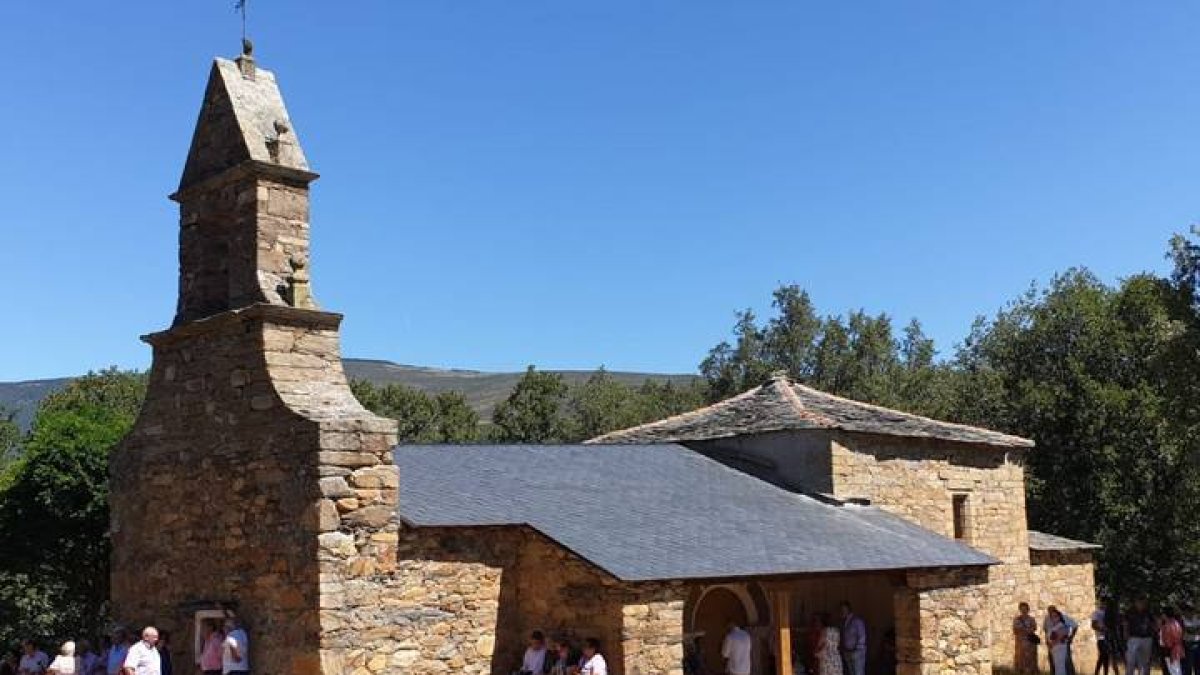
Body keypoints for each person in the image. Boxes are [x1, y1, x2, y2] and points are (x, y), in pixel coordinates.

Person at [1126, 599, 1156, 675]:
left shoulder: (1149, 612)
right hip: (1133, 638)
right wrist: (1125, 634)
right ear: (1135, 603)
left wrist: (1153, 633)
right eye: (1139, 602)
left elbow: (1154, 623)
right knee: (1130, 660)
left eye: (1143, 602)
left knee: (1145, 662)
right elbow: (1125, 623)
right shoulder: (1130, 612)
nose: (1141, 604)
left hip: (1147, 638)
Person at [839, 603, 866, 675]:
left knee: (858, 672)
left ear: (849, 610)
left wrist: (857, 649)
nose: (842, 611)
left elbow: (862, 636)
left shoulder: (857, 621)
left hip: (856, 652)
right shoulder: (844, 622)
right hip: (848, 652)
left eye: (844, 609)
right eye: (841, 610)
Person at [1013, 602, 1039, 675]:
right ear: (1020, 610)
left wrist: (1024, 630)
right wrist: (1026, 630)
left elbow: (1034, 628)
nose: (1024, 610)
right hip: (1020, 645)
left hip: (1030, 644)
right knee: (1021, 661)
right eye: (1022, 609)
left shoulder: (1031, 619)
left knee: (1031, 661)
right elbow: (1015, 630)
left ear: (1028, 609)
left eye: (1025, 609)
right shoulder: (1017, 619)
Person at [1047, 607, 1072, 675]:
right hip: (1054, 649)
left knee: (1060, 667)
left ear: (1059, 617)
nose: (1054, 618)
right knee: (1057, 667)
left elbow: (1060, 637)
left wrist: (1052, 644)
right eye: (1052, 616)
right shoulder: (1052, 627)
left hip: (1060, 648)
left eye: (1055, 616)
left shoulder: (1062, 625)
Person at [1162, 608, 1185, 675]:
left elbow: (1168, 640)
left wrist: (1168, 649)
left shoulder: (1168, 625)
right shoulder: (1176, 623)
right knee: (1176, 669)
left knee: (1174, 670)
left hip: (1171, 649)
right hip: (1177, 648)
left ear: (1165, 615)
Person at [1181, 603, 1200, 675]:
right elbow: (1186, 630)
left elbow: (1195, 631)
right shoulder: (1182, 619)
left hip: (1197, 644)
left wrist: (1191, 630)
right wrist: (1194, 630)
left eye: (1190, 610)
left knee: (1198, 666)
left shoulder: (1197, 618)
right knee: (1187, 666)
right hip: (1187, 644)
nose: (1187, 613)